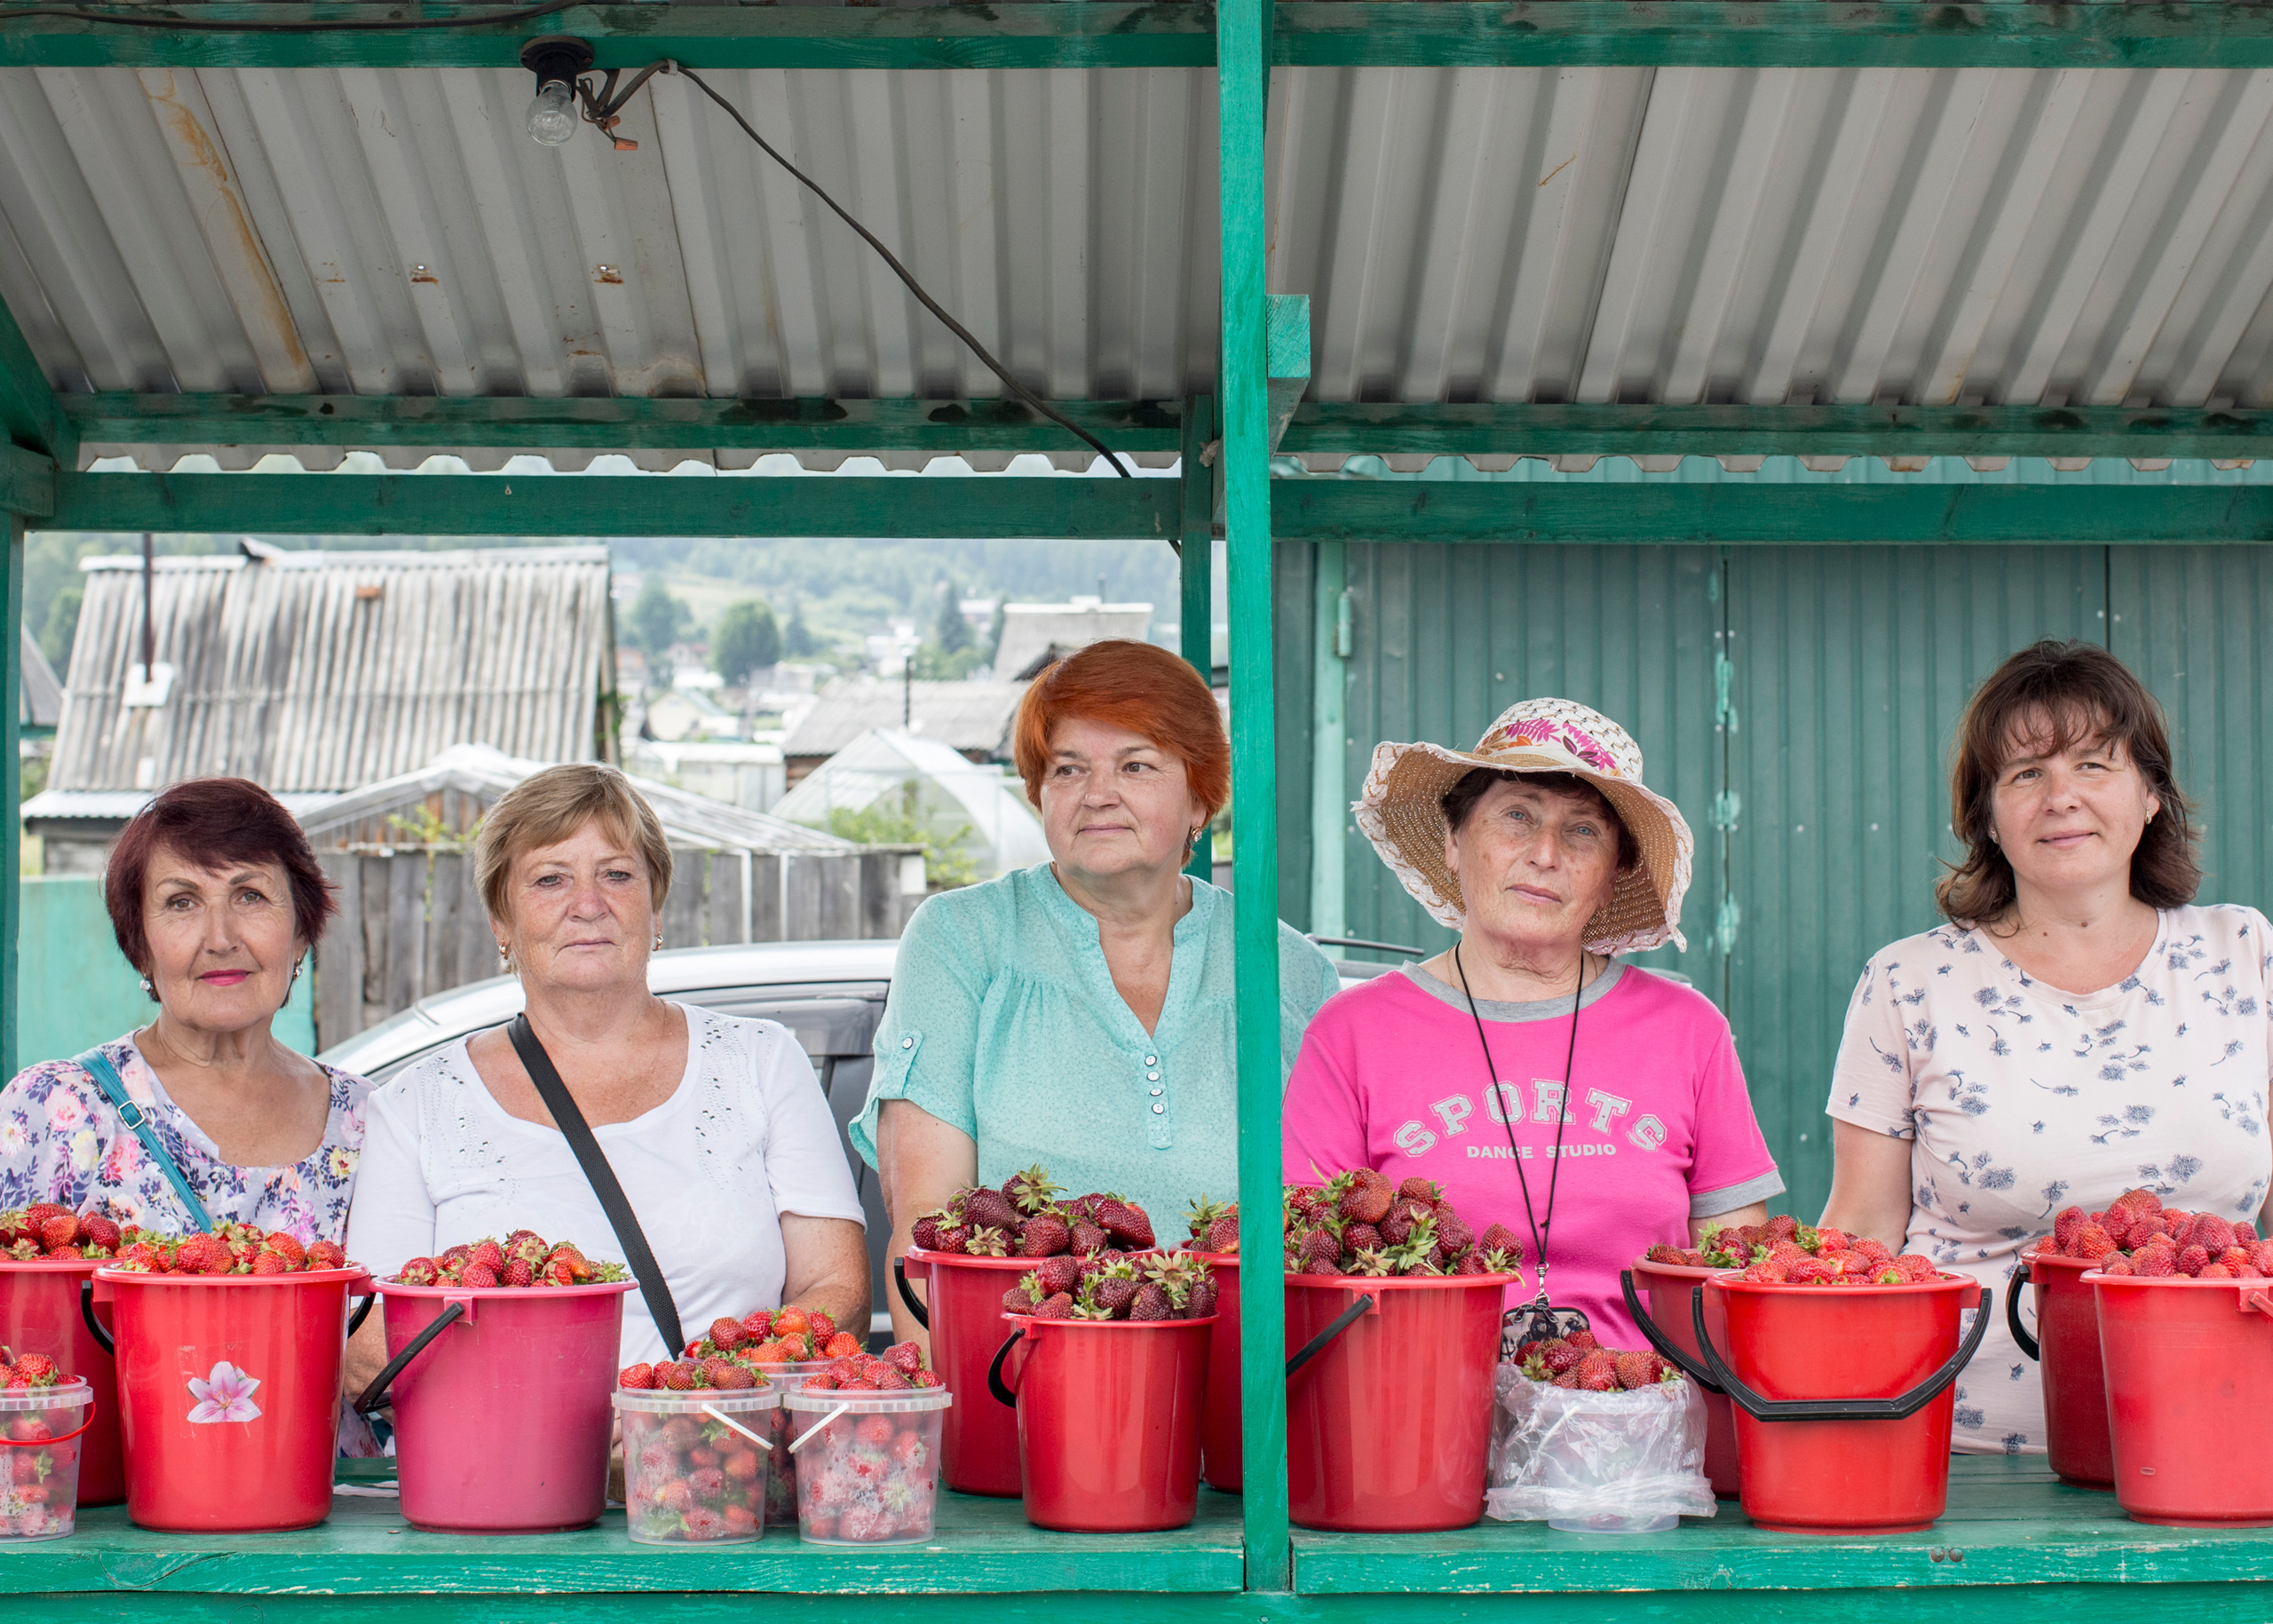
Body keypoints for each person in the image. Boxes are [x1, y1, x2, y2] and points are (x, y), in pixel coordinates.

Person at [1820, 640, 2273, 1455]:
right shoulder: (1909, 982)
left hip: (2225, 1441)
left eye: (2094, 764)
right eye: (2026, 774)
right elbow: (1862, 1232)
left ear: (2152, 795)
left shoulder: (2246, 952)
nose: (2061, 797)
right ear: (1988, 817)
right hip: (1962, 1459)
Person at [853, 639, 1340, 1344]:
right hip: (1024, 1396)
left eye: (1135, 765)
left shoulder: (1288, 969)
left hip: (1252, 1403)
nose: (1097, 793)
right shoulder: (962, 940)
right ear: (1039, 792)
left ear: (1201, 794)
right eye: (1068, 768)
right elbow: (928, 1236)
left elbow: (1328, 1236)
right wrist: (965, 1446)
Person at [1282, 698, 1783, 1344]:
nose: (1545, 853)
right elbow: (1311, 1263)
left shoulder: (1690, 1031)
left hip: (1642, 1420)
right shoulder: (1351, 1032)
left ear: (1610, 877)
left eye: (1583, 831)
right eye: (1517, 815)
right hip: (1420, 1411)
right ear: (1455, 840)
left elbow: (1737, 1274)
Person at [345, 764, 868, 1371]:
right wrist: (557, 1414)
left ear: (657, 906)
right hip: (507, 1462)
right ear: (501, 922)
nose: (587, 904)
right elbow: (367, 1349)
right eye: (550, 878)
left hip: (721, 1453)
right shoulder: (416, 1105)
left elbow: (839, 1291)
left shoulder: (761, 1061)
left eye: (616, 874)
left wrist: (693, 1401)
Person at [0, 778, 367, 1240]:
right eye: (182, 902)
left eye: (250, 895)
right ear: (140, 946)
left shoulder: (367, 1121)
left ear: (300, 931)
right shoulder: (53, 1108)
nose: (220, 939)